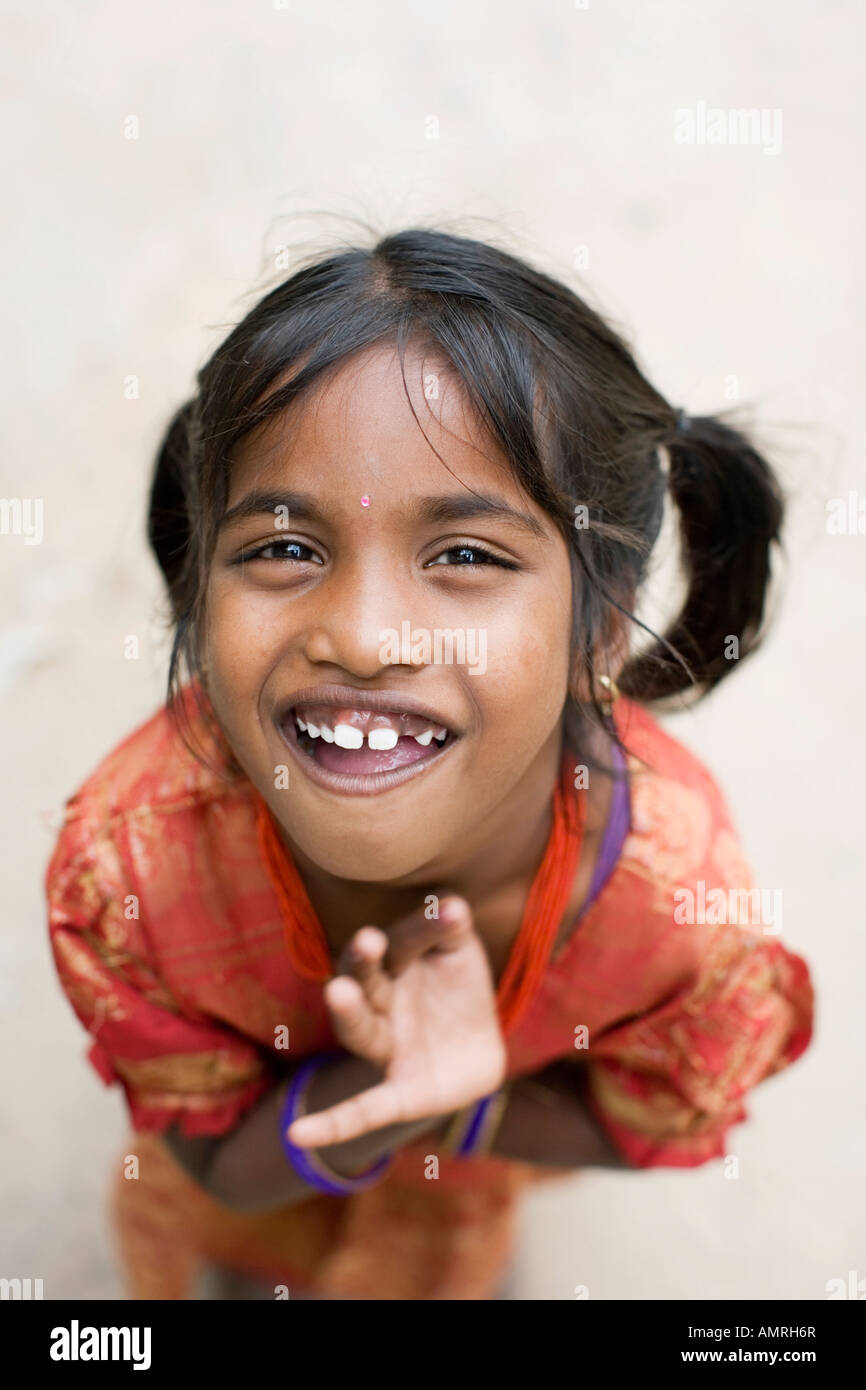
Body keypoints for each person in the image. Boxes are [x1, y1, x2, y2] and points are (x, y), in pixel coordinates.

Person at [45, 227, 814, 1300]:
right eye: (282, 546)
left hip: (464, 1187)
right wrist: (380, 1091)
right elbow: (218, 1158)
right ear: (199, 594)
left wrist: (462, 1106)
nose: (361, 637)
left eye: (464, 555)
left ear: (598, 632)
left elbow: (640, 1124)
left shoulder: (676, 913)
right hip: (242, 1192)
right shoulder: (131, 873)